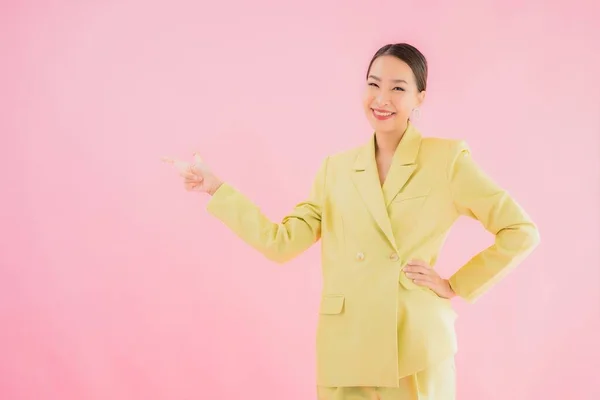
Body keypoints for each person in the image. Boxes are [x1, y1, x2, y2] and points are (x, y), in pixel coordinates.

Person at [162, 43, 540, 400]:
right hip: (346, 345)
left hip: (413, 346)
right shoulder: (336, 169)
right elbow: (281, 243)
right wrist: (217, 189)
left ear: (419, 98)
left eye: (398, 88)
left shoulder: (447, 160)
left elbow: (520, 231)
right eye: (373, 84)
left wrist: (454, 284)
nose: (382, 98)